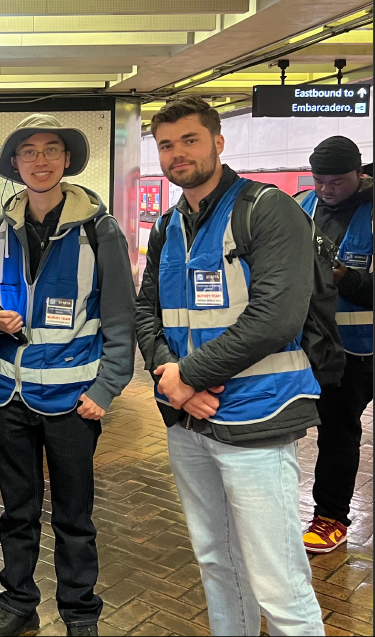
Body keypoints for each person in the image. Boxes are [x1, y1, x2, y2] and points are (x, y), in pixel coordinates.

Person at [135, 97, 325, 637]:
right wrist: (172, 378)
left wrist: (185, 377)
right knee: (218, 562)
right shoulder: (169, 223)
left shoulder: (267, 209)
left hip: (259, 418)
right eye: (166, 144)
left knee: (278, 579)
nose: (177, 154)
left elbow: (276, 316)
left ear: (218, 142)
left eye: (190, 140)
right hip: (189, 422)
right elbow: (148, 309)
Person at [0, 114, 135, 637]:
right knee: (17, 511)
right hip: (6, 397)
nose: (40, 160)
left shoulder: (99, 230)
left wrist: (106, 389)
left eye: (51, 150)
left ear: (66, 161)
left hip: (73, 401)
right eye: (29, 151)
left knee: (75, 517)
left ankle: (80, 612)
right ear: (15, 163)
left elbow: (121, 318)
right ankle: (18, 604)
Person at [296, 136, 372, 553]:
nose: (327, 189)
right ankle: (326, 515)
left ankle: (330, 516)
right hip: (319, 348)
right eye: (320, 180)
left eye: (337, 181)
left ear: (359, 174)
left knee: (340, 432)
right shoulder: (302, 207)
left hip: (365, 350)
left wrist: (345, 277)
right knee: (330, 431)